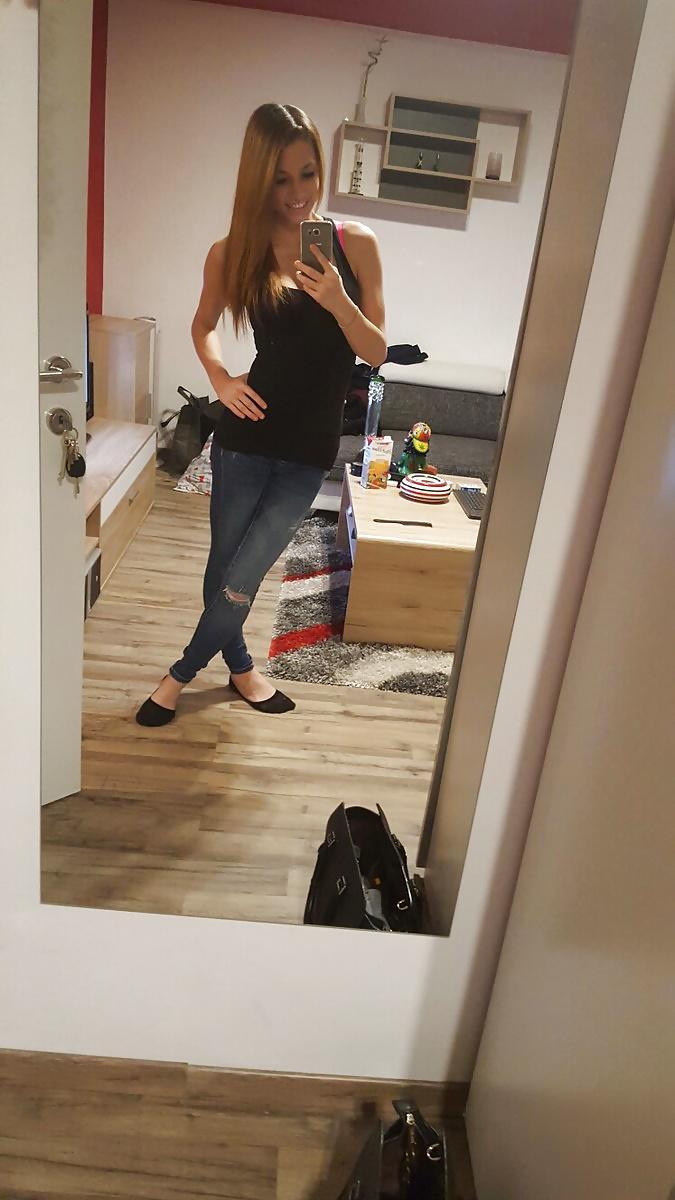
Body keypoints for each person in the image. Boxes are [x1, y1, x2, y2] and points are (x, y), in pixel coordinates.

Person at [137, 103, 386, 726]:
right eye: (280, 179)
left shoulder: (355, 245)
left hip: (308, 450)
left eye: (308, 174)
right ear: (258, 181)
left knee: (246, 571)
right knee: (224, 565)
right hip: (244, 438)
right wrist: (220, 380)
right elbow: (203, 324)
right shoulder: (236, 252)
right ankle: (243, 669)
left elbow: (377, 351)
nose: (298, 192)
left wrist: (338, 301)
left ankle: (178, 675)